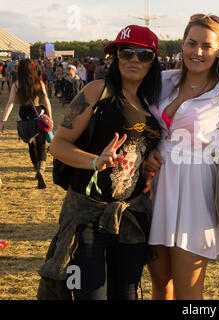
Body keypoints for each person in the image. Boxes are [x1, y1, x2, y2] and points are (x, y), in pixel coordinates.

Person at [37, 25, 163, 300]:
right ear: (116, 57)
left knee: (126, 294)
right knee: (89, 294)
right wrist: (96, 161)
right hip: (88, 216)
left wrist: (148, 159)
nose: (134, 60)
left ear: (153, 61)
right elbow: (58, 145)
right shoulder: (99, 91)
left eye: (144, 55)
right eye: (126, 52)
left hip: (130, 217)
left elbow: (137, 151)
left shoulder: (150, 104)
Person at [143, 14, 219, 300]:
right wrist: (148, 153)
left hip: (195, 197)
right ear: (182, 44)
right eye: (191, 43)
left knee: (188, 294)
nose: (198, 52)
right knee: (160, 286)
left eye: (207, 46)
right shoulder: (162, 81)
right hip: (154, 191)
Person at [1, 59, 53, 189]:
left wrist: (4, 120)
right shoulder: (39, 83)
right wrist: (50, 118)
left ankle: (36, 168)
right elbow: (46, 101)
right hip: (38, 115)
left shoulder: (16, 84)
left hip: (24, 116)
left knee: (31, 145)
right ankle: (40, 170)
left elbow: (11, 103)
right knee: (41, 145)